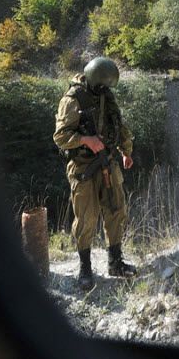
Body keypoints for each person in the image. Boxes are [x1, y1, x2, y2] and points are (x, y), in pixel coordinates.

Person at [53, 56, 137, 290]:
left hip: (108, 162)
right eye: (103, 85)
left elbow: (119, 124)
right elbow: (60, 137)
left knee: (116, 210)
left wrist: (126, 151)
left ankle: (115, 261)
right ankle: (85, 268)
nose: (105, 90)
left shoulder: (105, 95)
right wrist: (85, 139)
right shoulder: (72, 100)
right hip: (83, 167)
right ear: (94, 80)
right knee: (86, 217)